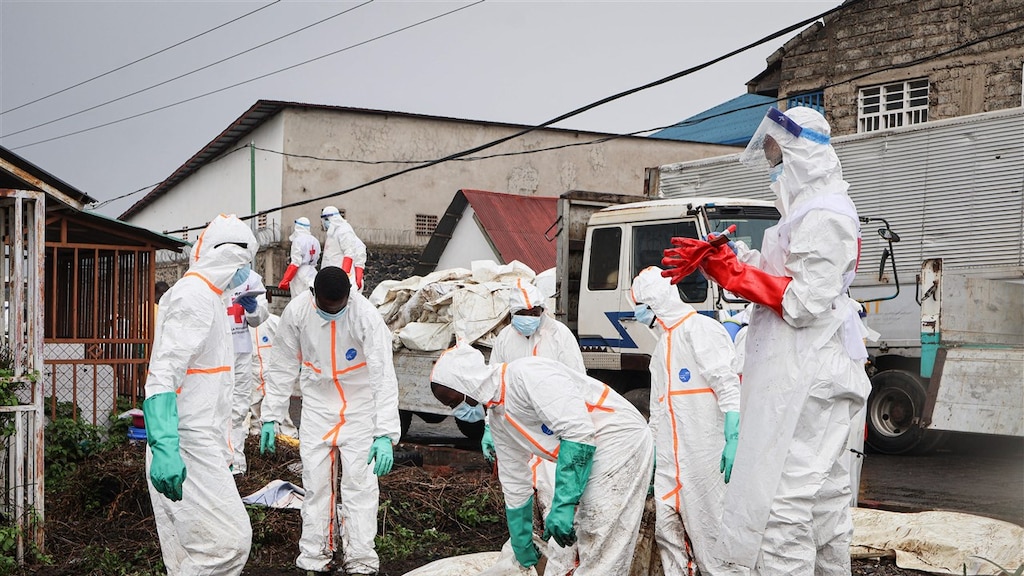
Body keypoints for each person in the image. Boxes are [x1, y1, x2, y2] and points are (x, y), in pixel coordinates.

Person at [661, 106, 870, 575]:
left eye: (777, 156)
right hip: (805, 369)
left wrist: (736, 276)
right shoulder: (807, 214)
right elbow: (784, 275)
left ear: (802, 155)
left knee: (783, 508)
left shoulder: (826, 215)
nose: (774, 168)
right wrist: (734, 257)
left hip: (810, 374)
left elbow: (805, 302)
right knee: (821, 506)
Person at [430, 345, 654, 575]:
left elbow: (578, 433)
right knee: (569, 540)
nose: (456, 409)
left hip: (618, 440)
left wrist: (564, 504)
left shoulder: (528, 375)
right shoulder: (499, 416)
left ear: (465, 384)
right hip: (589, 451)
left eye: (453, 401)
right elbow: (514, 476)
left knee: (600, 532)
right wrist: (521, 538)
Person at [260, 266, 400, 575]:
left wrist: (385, 434)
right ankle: (314, 558)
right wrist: (270, 415)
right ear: (314, 295)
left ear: (350, 296)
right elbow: (282, 364)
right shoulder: (297, 312)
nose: (334, 313)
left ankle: (361, 562)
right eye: (328, 308)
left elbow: (383, 375)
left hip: (359, 407)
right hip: (318, 406)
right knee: (315, 486)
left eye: (340, 307)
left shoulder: (365, 315)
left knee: (360, 488)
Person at [142, 214, 255, 574]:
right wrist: (164, 446)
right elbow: (162, 375)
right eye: (246, 263)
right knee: (228, 543)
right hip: (185, 445)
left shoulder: (211, 300)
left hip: (197, 443)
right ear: (232, 258)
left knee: (189, 557)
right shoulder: (193, 297)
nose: (246, 274)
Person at [630, 266, 743, 576]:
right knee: (668, 533)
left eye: (640, 306)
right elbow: (659, 412)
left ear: (654, 303)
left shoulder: (700, 330)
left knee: (713, 539)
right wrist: (652, 458)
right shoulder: (662, 346)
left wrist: (733, 435)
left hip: (705, 462)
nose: (637, 313)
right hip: (670, 465)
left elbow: (727, 384)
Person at [487, 278, 586, 574]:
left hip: (554, 433)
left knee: (556, 497)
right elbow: (493, 383)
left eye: (535, 312)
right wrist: (488, 429)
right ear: (511, 313)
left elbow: (577, 381)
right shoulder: (505, 339)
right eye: (523, 313)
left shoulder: (559, 336)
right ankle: (530, 555)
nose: (529, 319)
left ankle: (564, 563)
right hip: (518, 432)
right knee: (521, 495)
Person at [225, 269, 269, 475]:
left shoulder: (251, 279)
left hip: (241, 351)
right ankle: (217, 463)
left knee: (239, 408)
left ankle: (236, 465)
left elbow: (260, 317)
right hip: (216, 352)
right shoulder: (211, 272)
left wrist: (252, 310)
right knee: (216, 407)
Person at [247, 313, 300, 438]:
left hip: (272, 374)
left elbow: (290, 343)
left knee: (279, 408)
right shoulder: (239, 325)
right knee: (254, 409)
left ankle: (288, 438)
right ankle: (256, 439)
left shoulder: (274, 322)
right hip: (252, 376)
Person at [320, 205, 367, 293]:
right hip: (329, 275)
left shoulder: (344, 230)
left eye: (327, 219)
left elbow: (349, 253)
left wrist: (342, 276)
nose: (325, 223)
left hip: (340, 276)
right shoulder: (332, 233)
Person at [278, 216, 322, 297]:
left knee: (298, 299)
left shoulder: (298, 240)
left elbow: (295, 263)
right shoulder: (315, 241)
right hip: (312, 271)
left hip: (300, 273)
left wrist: (285, 280)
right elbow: (317, 258)